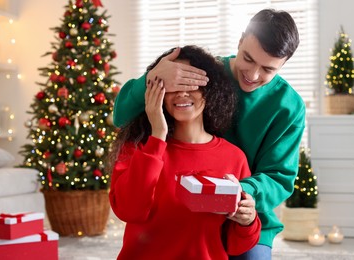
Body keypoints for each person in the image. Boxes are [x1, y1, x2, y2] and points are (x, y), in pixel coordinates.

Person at [112, 9, 305, 259]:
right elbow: (122, 117)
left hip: (244, 208)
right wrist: (154, 76)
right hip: (180, 203)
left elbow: (279, 176)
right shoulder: (206, 72)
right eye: (248, 58)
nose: (253, 74)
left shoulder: (289, 107)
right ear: (240, 40)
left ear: (283, 64)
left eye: (268, 69)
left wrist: (234, 195)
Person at [109, 45, 261, 260]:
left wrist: (248, 220)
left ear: (211, 90)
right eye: (173, 84)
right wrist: (157, 136)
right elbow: (129, 211)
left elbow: (235, 245)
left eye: (192, 83)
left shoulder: (234, 158)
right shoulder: (137, 147)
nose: (182, 92)